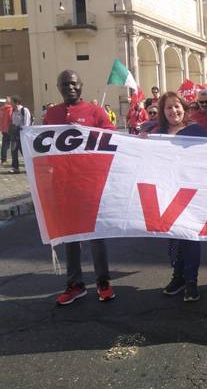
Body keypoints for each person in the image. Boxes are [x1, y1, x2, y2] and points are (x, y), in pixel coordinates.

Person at [44, 70, 117, 305]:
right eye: (65, 84)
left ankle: (103, 281)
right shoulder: (51, 114)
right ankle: (75, 284)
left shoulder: (97, 112)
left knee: (96, 236)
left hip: (90, 184)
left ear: (81, 85)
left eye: (74, 83)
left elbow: (114, 140)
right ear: (59, 87)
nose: (70, 88)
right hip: (63, 186)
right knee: (70, 237)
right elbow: (42, 146)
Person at [153, 92, 207, 302]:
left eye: (177, 106)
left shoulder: (196, 131)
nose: (173, 111)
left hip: (192, 193)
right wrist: (141, 142)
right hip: (168, 192)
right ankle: (179, 276)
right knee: (174, 237)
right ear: (163, 112)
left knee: (190, 237)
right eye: (168, 108)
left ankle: (192, 281)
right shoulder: (158, 134)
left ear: (184, 108)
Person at [9, 95, 31, 174]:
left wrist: (24, 132)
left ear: (16, 102)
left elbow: (27, 123)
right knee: (13, 150)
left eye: (11, 102)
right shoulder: (13, 111)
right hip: (15, 133)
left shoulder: (24, 110)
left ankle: (29, 166)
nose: (10, 103)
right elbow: (13, 122)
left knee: (24, 151)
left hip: (22, 133)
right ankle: (15, 168)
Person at [0, 97, 13, 166]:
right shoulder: (10, 109)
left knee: (4, 145)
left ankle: (3, 160)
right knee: (15, 145)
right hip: (10, 129)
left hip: (3, 129)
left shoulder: (1, 109)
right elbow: (11, 118)